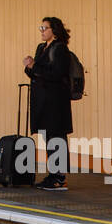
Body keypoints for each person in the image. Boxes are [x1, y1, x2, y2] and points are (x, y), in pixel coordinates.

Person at [23, 17, 72, 190]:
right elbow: (37, 74)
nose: (42, 30)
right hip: (43, 101)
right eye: (40, 27)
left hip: (55, 102)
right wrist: (30, 67)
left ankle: (59, 177)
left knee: (56, 136)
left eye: (45, 28)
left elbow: (56, 74)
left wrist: (35, 65)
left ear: (54, 30)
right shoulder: (41, 47)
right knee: (48, 137)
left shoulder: (59, 49)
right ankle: (53, 174)